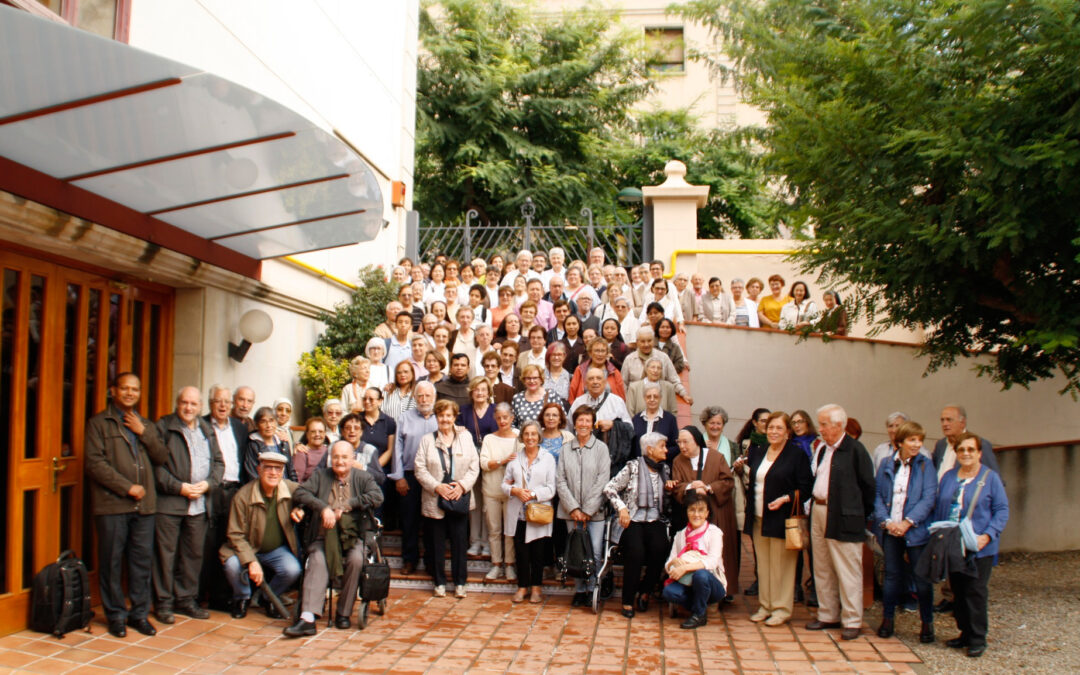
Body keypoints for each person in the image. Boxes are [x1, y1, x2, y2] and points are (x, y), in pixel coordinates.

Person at [85, 372, 168, 638]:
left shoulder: (146, 424)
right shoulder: (99, 423)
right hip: (112, 505)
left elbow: (161, 456)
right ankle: (116, 616)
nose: (130, 393)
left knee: (141, 563)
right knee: (111, 563)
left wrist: (144, 433)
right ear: (113, 391)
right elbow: (94, 464)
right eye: (124, 388)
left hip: (144, 507)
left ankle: (139, 615)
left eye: (135, 389)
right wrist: (127, 487)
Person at [285, 440, 384, 636]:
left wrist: (349, 504)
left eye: (344, 457)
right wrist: (323, 508)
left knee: (356, 560)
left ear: (353, 459)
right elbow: (300, 492)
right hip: (323, 535)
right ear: (330, 459)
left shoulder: (362, 477)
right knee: (317, 559)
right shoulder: (321, 476)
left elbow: (377, 497)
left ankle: (343, 613)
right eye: (336, 457)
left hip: (354, 536)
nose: (340, 461)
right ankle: (308, 618)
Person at [932, 432, 1009, 658]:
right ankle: (964, 632)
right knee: (958, 590)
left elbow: (1002, 510)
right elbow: (939, 507)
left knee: (975, 590)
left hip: (979, 545)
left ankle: (977, 638)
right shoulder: (949, 476)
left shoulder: (990, 478)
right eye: (961, 450)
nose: (966, 453)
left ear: (979, 453)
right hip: (953, 543)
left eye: (970, 449)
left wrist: (989, 535)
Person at [153, 386, 225, 624]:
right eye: (184, 402)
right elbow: (155, 467)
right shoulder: (164, 427)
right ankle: (164, 603)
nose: (188, 407)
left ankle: (185, 600)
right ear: (177, 403)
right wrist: (179, 487)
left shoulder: (206, 429)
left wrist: (208, 484)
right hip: (170, 503)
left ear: (200, 407)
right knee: (165, 556)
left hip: (199, 505)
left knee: (192, 556)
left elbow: (219, 463)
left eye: (193, 404)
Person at [806, 404, 875, 640]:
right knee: (822, 566)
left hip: (844, 516)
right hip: (819, 510)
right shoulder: (822, 449)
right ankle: (828, 614)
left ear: (838, 425)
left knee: (847, 569)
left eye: (824, 424)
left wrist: (857, 514)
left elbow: (868, 487)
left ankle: (852, 619)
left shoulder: (855, 450)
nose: (820, 429)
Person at [740, 412, 813, 626]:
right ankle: (766, 606)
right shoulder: (760, 451)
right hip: (758, 517)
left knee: (782, 566)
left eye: (779, 428)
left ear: (787, 432)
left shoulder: (796, 455)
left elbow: (806, 487)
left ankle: (781, 609)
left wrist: (786, 498)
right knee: (763, 565)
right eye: (771, 427)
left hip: (782, 518)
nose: (773, 431)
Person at [873, 421, 938, 643]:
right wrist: (887, 522)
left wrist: (907, 523)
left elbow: (929, 498)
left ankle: (927, 623)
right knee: (892, 576)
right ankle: (888, 619)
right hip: (891, 530)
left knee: (921, 578)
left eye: (920, 440)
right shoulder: (886, 463)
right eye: (912, 440)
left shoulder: (925, 465)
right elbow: (878, 495)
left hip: (915, 531)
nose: (917, 444)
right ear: (900, 442)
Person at [219, 451, 304, 619]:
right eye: (268, 468)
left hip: (274, 550)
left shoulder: (289, 488)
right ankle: (242, 597)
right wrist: (251, 561)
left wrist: (300, 507)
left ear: (283, 472)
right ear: (259, 469)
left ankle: (268, 598)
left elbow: (308, 493)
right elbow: (235, 534)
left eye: (278, 469)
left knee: (292, 569)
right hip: (247, 547)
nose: (273, 473)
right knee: (232, 565)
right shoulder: (243, 496)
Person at [415, 399, 480, 598]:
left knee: (460, 543)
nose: (445, 419)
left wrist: (461, 486)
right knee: (437, 545)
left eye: (449, 415)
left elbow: (474, 465)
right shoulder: (427, 440)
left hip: (459, 497)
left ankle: (460, 583)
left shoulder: (466, 437)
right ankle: (439, 582)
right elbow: (419, 468)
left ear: (454, 417)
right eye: (441, 415)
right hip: (435, 498)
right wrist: (436, 486)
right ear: (436, 417)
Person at [604, 432, 672, 618]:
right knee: (636, 552)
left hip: (655, 519)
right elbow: (609, 488)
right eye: (662, 446)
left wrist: (670, 490)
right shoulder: (632, 467)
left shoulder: (664, 470)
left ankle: (645, 590)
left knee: (661, 548)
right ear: (650, 449)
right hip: (632, 519)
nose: (666, 450)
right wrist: (622, 508)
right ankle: (627, 600)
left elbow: (666, 499)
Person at [671, 425, 739, 597]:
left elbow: (728, 482)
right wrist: (690, 486)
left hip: (717, 510)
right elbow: (676, 486)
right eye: (679, 442)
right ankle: (692, 589)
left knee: (718, 549)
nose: (682, 446)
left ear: (696, 441)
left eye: (686, 442)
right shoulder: (678, 461)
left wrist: (708, 488)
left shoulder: (716, 457)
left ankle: (722, 591)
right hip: (692, 515)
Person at [201, 384, 249, 610]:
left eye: (226, 402)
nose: (223, 406)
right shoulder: (201, 425)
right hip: (210, 491)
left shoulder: (239, 428)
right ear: (210, 403)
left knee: (228, 543)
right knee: (207, 543)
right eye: (218, 401)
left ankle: (221, 596)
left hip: (233, 491)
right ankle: (201, 594)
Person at [557, 406, 610, 607]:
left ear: (593, 424)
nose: (584, 424)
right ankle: (579, 590)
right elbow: (560, 480)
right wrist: (573, 508)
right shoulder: (565, 449)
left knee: (594, 552)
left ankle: (593, 589)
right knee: (576, 552)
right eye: (580, 420)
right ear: (575, 423)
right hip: (571, 513)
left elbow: (602, 479)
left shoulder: (601, 449)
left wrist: (587, 510)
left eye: (588, 421)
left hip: (594, 513)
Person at [504, 419, 558, 604]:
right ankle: (522, 587)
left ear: (539, 436)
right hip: (518, 514)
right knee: (521, 553)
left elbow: (551, 488)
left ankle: (536, 588)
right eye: (526, 434)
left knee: (538, 553)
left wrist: (533, 494)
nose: (530, 437)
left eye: (533, 434)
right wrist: (515, 491)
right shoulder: (515, 459)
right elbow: (504, 484)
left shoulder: (548, 458)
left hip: (538, 512)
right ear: (522, 437)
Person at [388, 381, 439, 575]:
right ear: (415, 398)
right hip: (409, 476)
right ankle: (409, 559)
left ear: (434, 397)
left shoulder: (441, 418)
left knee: (432, 521)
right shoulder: (404, 418)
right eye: (420, 396)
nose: (424, 399)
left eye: (428, 396)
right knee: (409, 521)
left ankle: (431, 562)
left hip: (434, 477)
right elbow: (397, 449)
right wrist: (399, 477)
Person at [661, 493, 728, 629]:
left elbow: (713, 561)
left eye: (701, 510)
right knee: (669, 592)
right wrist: (674, 563)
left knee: (701, 575)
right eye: (692, 510)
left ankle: (699, 615)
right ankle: (700, 603)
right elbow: (668, 564)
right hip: (687, 583)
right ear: (687, 512)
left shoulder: (714, 532)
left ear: (707, 513)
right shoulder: (681, 535)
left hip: (711, 582)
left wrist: (685, 568)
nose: (696, 514)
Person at [479, 403, 519, 581]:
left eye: (505, 417)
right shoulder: (489, 439)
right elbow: (484, 463)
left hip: (512, 492)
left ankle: (509, 565)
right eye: (499, 418)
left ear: (512, 418)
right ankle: (496, 564)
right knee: (494, 530)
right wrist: (502, 461)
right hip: (491, 490)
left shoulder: (519, 437)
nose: (502, 421)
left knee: (510, 531)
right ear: (495, 419)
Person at [620, 327, 691, 405]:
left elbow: (674, 380)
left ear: (653, 341)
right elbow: (623, 384)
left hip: (659, 403)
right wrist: (627, 403)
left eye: (649, 341)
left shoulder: (663, 357)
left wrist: (684, 394)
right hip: (636, 402)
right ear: (637, 342)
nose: (646, 344)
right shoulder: (629, 360)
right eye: (642, 341)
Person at [933, 405, 1000, 479]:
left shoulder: (980, 444)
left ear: (963, 422)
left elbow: (994, 478)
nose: (945, 424)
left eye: (949, 420)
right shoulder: (940, 445)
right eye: (942, 420)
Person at [245, 407, 297, 483]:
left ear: (276, 422)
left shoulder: (283, 443)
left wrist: (294, 486)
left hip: (285, 486)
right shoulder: (253, 445)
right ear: (257, 425)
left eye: (271, 420)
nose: (268, 425)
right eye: (263, 422)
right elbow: (252, 474)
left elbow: (291, 470)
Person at [630, 381, 679, 460]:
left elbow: (676, 447)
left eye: (655, 396)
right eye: (648, 397)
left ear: (660, 398)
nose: (652, 399)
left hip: (662, 464)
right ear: (644, 398)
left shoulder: (670, 419)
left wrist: (659, 454)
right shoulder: (636, 419)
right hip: (640, 464)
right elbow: (632, 447)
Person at [568, 338, 625, 402]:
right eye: (597, 351)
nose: (600, 354)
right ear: (590, 353)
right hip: (584, 407)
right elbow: (572, 394)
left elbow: (621, 398)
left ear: (607, 353)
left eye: (603, 351)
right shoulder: (580, 370)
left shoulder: (614, 372)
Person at [293, 418, 330, 482]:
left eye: (320, 431)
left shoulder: (330, 451)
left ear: (325, 434)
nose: (317, 434)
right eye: (313, 431)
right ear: (307, 434)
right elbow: (297, 482)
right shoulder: (302, 453)